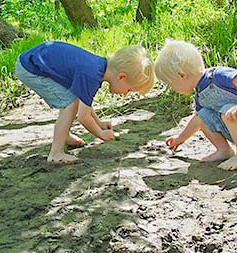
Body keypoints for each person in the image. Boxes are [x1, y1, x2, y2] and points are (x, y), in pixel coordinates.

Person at [15, 41, 154, 164]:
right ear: (121, 77)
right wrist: (101, 134)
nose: (125, 94)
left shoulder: (98, 68)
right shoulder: (92, 75)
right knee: (70, 104)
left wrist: (99, 123)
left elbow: (84, 100)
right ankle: (56, 153)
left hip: (36, 62)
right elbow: (83, 117)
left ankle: (64, 136)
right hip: (31, 68)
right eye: (129, 90)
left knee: (73, 100)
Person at [154, 39, 237, 170]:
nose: (172, 88)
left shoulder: (218, 76)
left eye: (170, 83)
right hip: (235, 126)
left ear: (182, 75)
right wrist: (180, 138)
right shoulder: (199, 94)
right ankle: (224, 150)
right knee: (203, 115)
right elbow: (197, 119)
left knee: (227, 110)